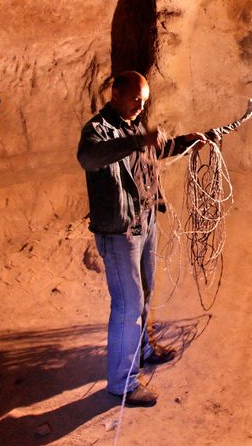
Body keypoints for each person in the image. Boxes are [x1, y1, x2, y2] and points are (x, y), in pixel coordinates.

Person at [76, 70, 205, 406]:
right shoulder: (97, 129)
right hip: (119, 232)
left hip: (144, 221)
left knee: (145, 294)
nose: (139, 106)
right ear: (115, 93)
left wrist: (187, 141)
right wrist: (137, 140)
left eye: (143, 101)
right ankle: (122, 384)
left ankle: (143, 349)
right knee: (127, 306)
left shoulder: (132, 126)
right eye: (135, 98)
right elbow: (88, 158)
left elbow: (151, 153)